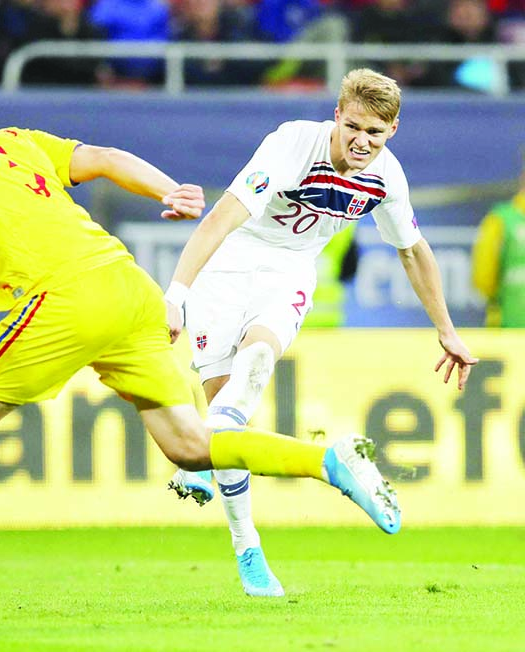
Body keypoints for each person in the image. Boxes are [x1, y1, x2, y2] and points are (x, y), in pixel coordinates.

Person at [0, 71, 402, 623]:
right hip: (129, 288)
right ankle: (329, 461)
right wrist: (167, 189)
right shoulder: (16, 140)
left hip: (65, 294)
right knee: (192, 446)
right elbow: (103, 156)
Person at [164, 68, 477, 599]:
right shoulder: (292, 144)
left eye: (375, 133)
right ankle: (248, 548)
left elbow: (413, 250)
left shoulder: (386, 178)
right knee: (227, 415)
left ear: (393, 130)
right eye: (353, 126)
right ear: (336, 115)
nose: (362, 141)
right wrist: (176, 294)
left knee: (259, 356)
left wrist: (446, 329)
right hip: (228, 264)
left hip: (289, 269)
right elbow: (222, 217)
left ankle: (202, 457)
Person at [471, 155, 525, 327]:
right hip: (508, 328)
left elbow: (483, 279)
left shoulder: (500, 219)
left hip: (508, 326)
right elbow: (483, 278)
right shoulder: (500, 220)